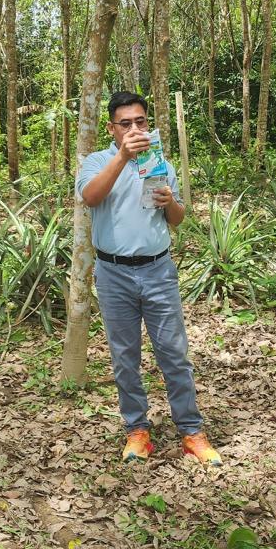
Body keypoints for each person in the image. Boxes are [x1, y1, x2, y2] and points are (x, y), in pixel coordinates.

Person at [76, 90, 221, 465]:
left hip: (157, 270)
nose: (135, 128)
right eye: (126, 124)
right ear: (112, 128)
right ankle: (137, 430)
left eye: (141, 121)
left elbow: (176, 219)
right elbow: (90, 197)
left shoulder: (160, 163)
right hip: (114, 273)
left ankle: (191, 430)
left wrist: (170, 201)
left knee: (174, 353)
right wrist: (123, 156)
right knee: (125, 356)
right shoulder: (96, 161)